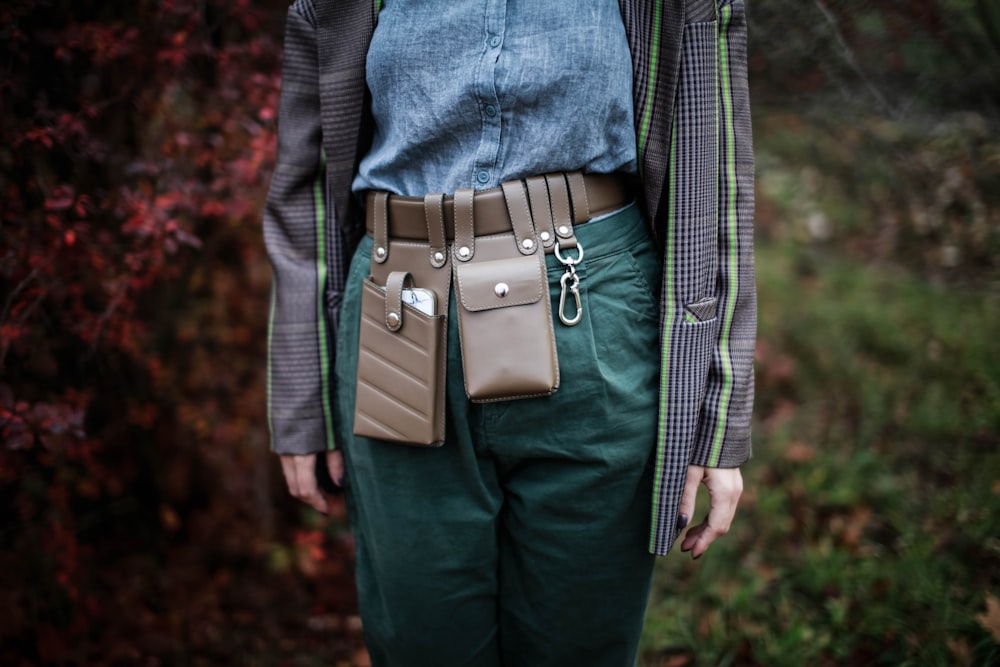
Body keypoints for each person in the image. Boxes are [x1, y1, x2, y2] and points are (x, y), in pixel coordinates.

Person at [263, 0, 755, 665]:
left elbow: (717, 176)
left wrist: (719, 415)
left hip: (594, 317)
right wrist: (302, 394)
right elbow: (305, 181)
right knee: (422, 644)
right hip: (399, 319)